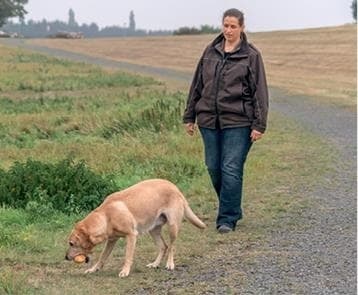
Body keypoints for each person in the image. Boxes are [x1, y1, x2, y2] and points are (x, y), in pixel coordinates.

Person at [183, 8, 269, 234]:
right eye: (226, 25)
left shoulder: (251, 55)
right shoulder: (210, 51)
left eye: (233, 26)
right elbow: (197, 85)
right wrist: (190, 116)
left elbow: (260, 91)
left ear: (242, 28)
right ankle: (232, 206)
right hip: (209, 120)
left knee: (230, 168)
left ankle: (227, 219)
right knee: (214, 167)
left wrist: (259, 124)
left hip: (238, 120)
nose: (228, 30)